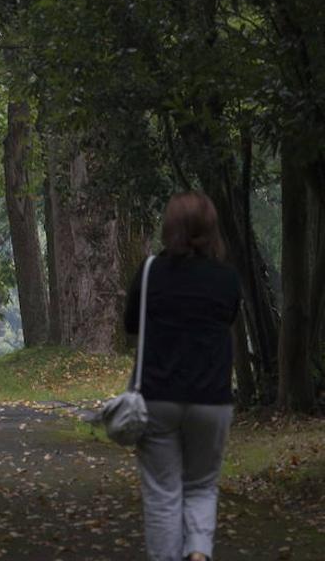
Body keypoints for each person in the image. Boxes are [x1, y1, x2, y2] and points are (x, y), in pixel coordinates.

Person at [125, 191, 241, 561]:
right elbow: (228, 320)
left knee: (163, 493)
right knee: (202, 486)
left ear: (169, 228)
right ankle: (198, 552)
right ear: (212, 230)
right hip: (212, 399)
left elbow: (131, 325)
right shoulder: (227, 278)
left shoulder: (149, 272)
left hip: (158, 397)